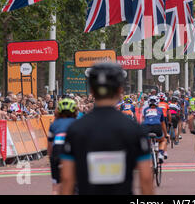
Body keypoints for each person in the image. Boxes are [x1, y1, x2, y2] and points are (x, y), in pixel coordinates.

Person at [60, 63, 153, 195]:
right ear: (120, 90)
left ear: (91, 91)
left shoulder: (75, 129)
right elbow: (146, 178)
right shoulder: (135, 129)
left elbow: (67, 179)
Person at [48, 98, 77, 194]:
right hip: (71, 151)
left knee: (56, 187)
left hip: (56, 152)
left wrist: (52, 160)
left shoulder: (54, 125)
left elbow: (49, 147)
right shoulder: (77, 123)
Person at [141, 96, 168, 163]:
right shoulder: (159, 110)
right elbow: (163, 123)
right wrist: (165, 134)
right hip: (157, 126)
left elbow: (144, 119)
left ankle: (147, 152)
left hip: (146, 126)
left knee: (145, 140)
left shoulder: (145, 109)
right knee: (163, 140)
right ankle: (161, 153)